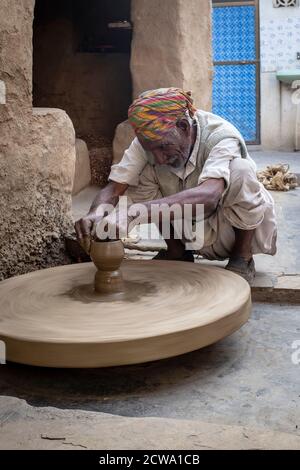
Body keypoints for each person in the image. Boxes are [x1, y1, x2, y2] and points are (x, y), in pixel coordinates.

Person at [75, 88, 277, 283]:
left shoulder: (222, 137)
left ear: (183, 126)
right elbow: (115, 187)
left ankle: (243, 258)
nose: (160, 158)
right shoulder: (149, 141)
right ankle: (177, 252)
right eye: (152, 149)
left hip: (228, 231)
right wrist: (96, 212)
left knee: (241, 170)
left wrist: (132, 213)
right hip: (188, 232)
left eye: (164, 147)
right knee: (141, 172)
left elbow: (209, 196)